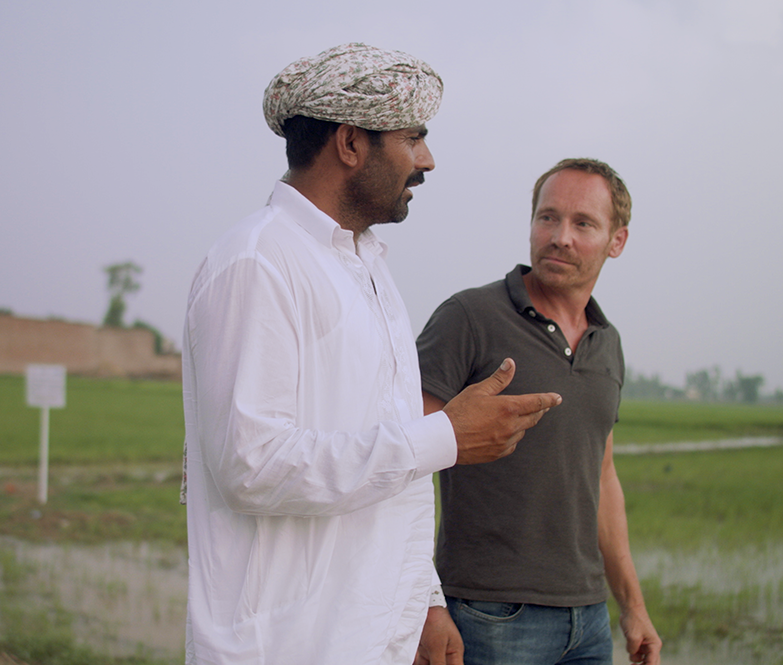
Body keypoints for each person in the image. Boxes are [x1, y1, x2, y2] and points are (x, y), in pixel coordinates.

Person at [179, 44, 561, 665]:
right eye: (414, 138)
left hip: (369, 635)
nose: (428, 161)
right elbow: (251, 464)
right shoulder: (257, 263)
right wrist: (444, 437)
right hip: (284, 645)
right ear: (351, 144)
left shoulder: (369, 270)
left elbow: (393, 469)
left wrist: (424, 605)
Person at [416, 158, 662, 665]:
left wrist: (632, 607)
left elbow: (602, 474)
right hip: (488, 615)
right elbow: (402, 463)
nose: (560, 237)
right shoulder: (469, 318)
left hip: (589, 619)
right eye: (548, 217)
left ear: (617, 241)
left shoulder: (607, 343)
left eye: (583, 224)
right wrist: (422, 603)